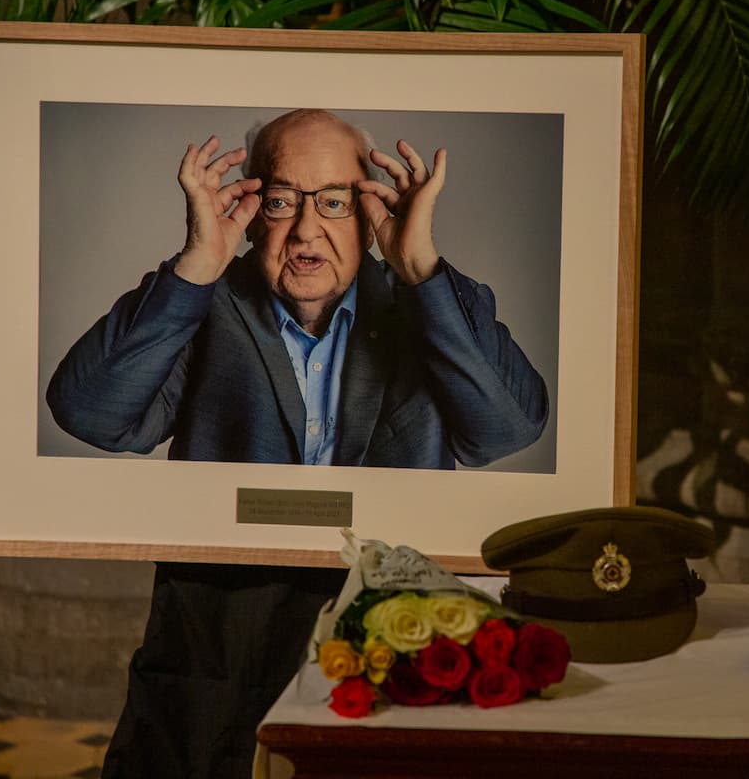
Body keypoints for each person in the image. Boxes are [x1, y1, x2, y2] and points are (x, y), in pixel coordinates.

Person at [46, 109, 549, 778]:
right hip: (216, 674)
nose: (307, 229)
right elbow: (89, 412)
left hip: (389, 667)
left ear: (372, 211)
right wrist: (197, 265)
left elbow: (510, 429)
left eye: (336, 202)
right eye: (283, 201)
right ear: (251, 208)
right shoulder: (202, 305)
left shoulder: (429, 305)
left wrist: (422, 267)